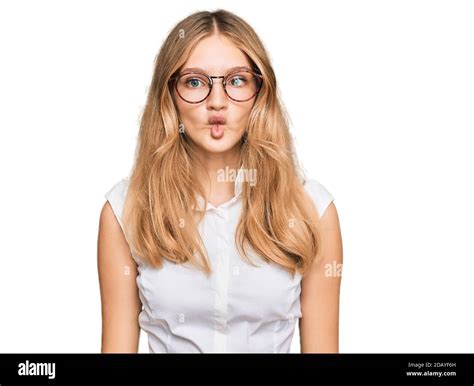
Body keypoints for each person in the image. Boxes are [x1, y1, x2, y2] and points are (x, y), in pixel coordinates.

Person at [97, 9, 343, 353]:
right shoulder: (126, 210)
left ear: (260, 90)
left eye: (237, 80)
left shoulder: (312, 210)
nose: (216, 102)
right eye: (195, 81)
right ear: (169, 95)